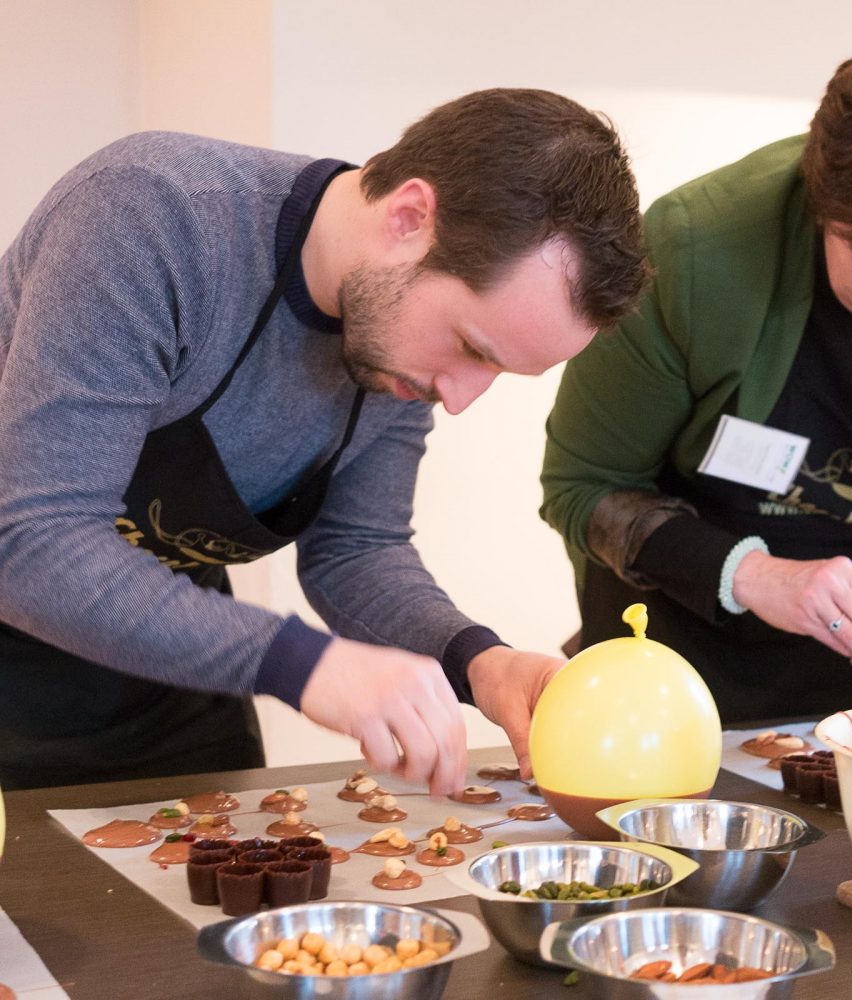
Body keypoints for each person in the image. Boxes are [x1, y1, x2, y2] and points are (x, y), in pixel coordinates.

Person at [0, 88, 648, 790]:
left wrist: (477, 661)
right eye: (471, 347)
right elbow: (33, 538)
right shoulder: (154, 214)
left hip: (170, 689)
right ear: (408, 217)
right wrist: (303, 663)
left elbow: (355, 551)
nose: (460, 398)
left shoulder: (395, 353)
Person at [541, 15, 852, 723]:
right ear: (823, 201)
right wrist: (750, 574)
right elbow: (582, 487)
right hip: (675, 667)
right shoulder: (692, 254)